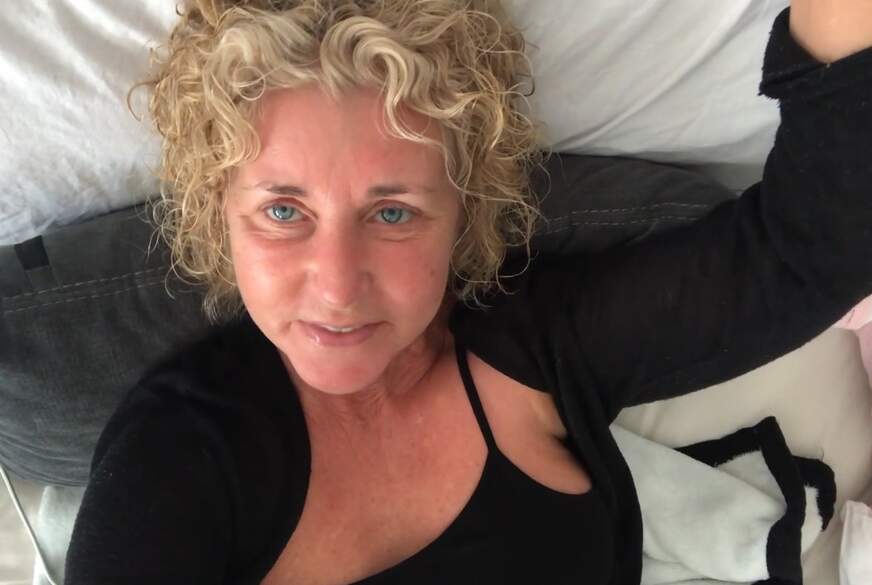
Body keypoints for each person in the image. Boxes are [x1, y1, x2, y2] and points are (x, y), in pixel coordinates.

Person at [65, 0, 872, 584]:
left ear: (463, 210)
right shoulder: (178, 457)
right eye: (283, 211)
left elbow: (803, 252)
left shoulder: (541, 344)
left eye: (392, 212)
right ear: (219, 213)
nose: (338, 288)